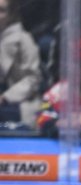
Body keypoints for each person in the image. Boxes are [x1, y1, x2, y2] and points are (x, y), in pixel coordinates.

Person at [0, 0, 42, 130]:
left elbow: (33, 79)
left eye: (1, 10)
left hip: (17, 104)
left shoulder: (23, 39)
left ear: (11, 15)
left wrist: (5, 97)